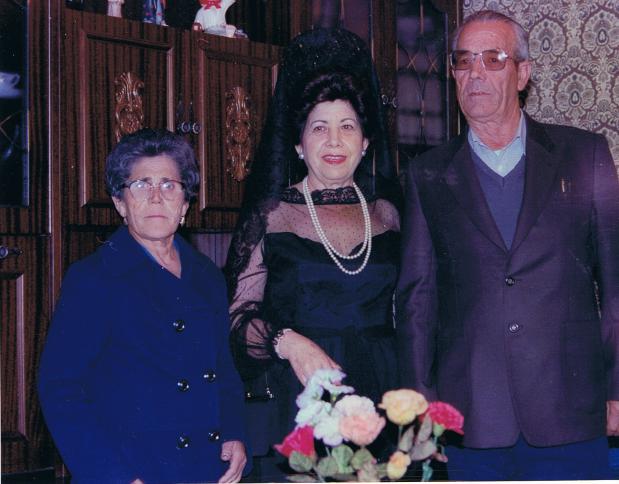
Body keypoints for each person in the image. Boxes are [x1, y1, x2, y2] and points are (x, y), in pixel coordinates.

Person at [396, 9, 619, 481]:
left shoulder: (585, 155)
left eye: (493, 59)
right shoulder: (426, 174)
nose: (475, 72)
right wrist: (418, 406)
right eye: (463, 60)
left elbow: (616, 282)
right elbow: (417, 300)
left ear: (523, 73)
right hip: (471, 420)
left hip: (571, 413)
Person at [225, 28, 402, 481]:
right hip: (298, 399)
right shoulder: (271, 215)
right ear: (299, 145)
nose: (334, 141)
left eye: (348, 127)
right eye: (319, 128)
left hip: (380, 401)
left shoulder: (389, 215)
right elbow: (236, 319)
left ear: (366, 142)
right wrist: (288, 343)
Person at [38, 129, 248, 483]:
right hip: (131, 471)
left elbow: (223, 370)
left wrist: (234, 434)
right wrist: (114, 476)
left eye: (169, 185)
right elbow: (60, 390)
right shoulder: (94, 278)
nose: (155, 197)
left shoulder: (208, 275)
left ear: (185, 204)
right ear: (120, 203)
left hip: (206, 467)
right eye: (140, 185)